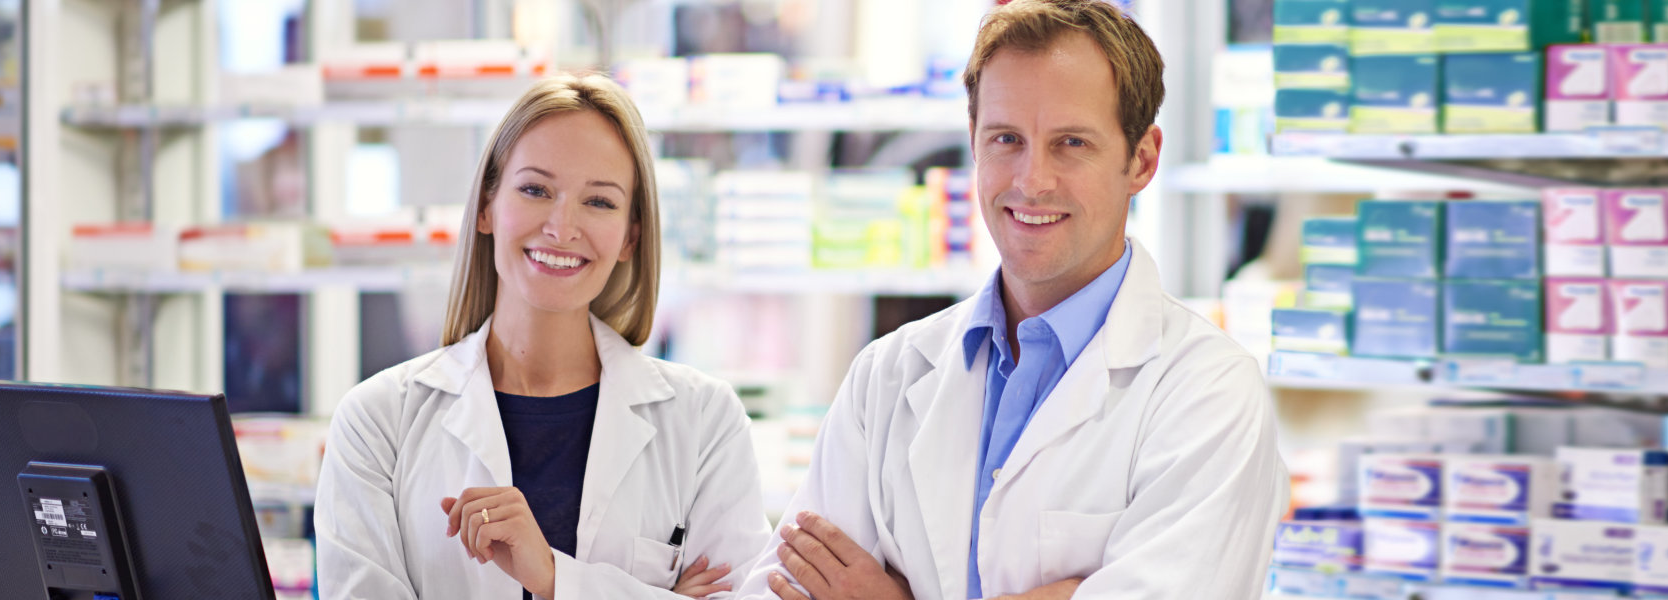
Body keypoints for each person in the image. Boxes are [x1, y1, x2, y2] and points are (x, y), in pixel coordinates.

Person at [734, 1, 1288, 599]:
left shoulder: (1207, 392)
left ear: (1142, 160)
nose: (1032, 180)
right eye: (1006, 139)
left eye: (1071, 143)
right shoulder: (887, 377)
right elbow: (780, 589)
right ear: (973, 143)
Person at [316, 73, 769, 600]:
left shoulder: (703, 421)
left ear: (630, 237)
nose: (561, 226)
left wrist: (555, 578)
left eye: (598, 202)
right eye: (535, 189)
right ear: (486, 207)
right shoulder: (377, 424)